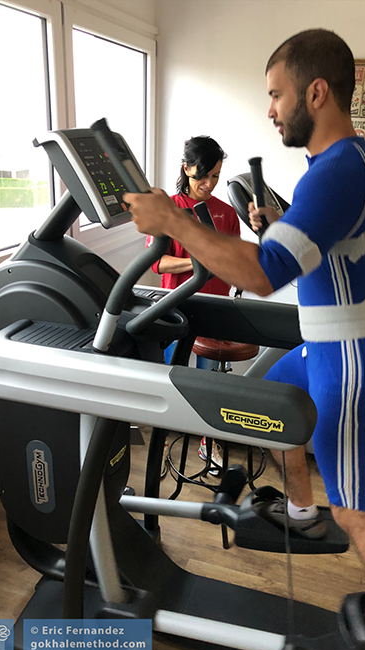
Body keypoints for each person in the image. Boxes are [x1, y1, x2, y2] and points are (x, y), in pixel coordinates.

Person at [124, 29, 365, 650]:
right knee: (271, 401)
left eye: (276, 95)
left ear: (316, 92)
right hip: (328, 350)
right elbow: (310, 243)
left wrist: (175, 221)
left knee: (356, 511)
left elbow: (263, 274)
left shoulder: (341, 171)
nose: (269, 109)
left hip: (350, 367)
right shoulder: (344, 164)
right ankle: (301, 512)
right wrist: (278, 224)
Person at [146, 136, 241, 473]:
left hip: (213, 311)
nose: (209, 183)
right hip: (174, 308)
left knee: (209, 384)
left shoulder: (226, 213)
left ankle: (207, 442)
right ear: (186, 168)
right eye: (203, 175)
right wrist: (196, 262)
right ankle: (161, 444)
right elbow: (159, 264)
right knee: (172, 381)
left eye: (215, 176)